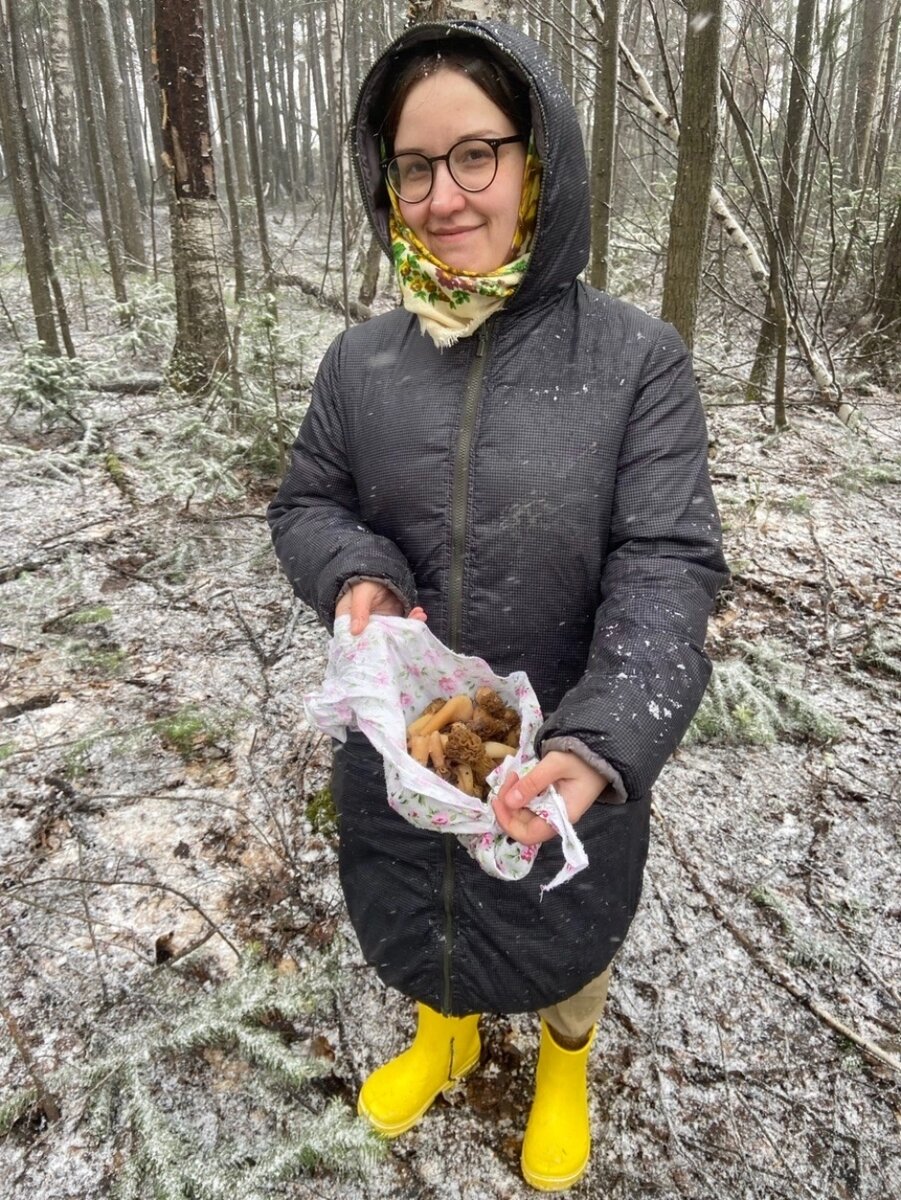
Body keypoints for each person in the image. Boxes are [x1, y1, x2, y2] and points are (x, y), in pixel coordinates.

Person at [268, 18, 728, 1193]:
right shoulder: (359, 363)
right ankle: (445, 1033)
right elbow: (308, 503)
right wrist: (354, 575)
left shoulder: (634, 360)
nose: (441, 195)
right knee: (422, 906)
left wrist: (599, 741)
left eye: (476, 154)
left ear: (539, 163)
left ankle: (566, 1058)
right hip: (408, 748)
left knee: (567, 921)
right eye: (413, 166)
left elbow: (668, 561)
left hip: (561, 737)